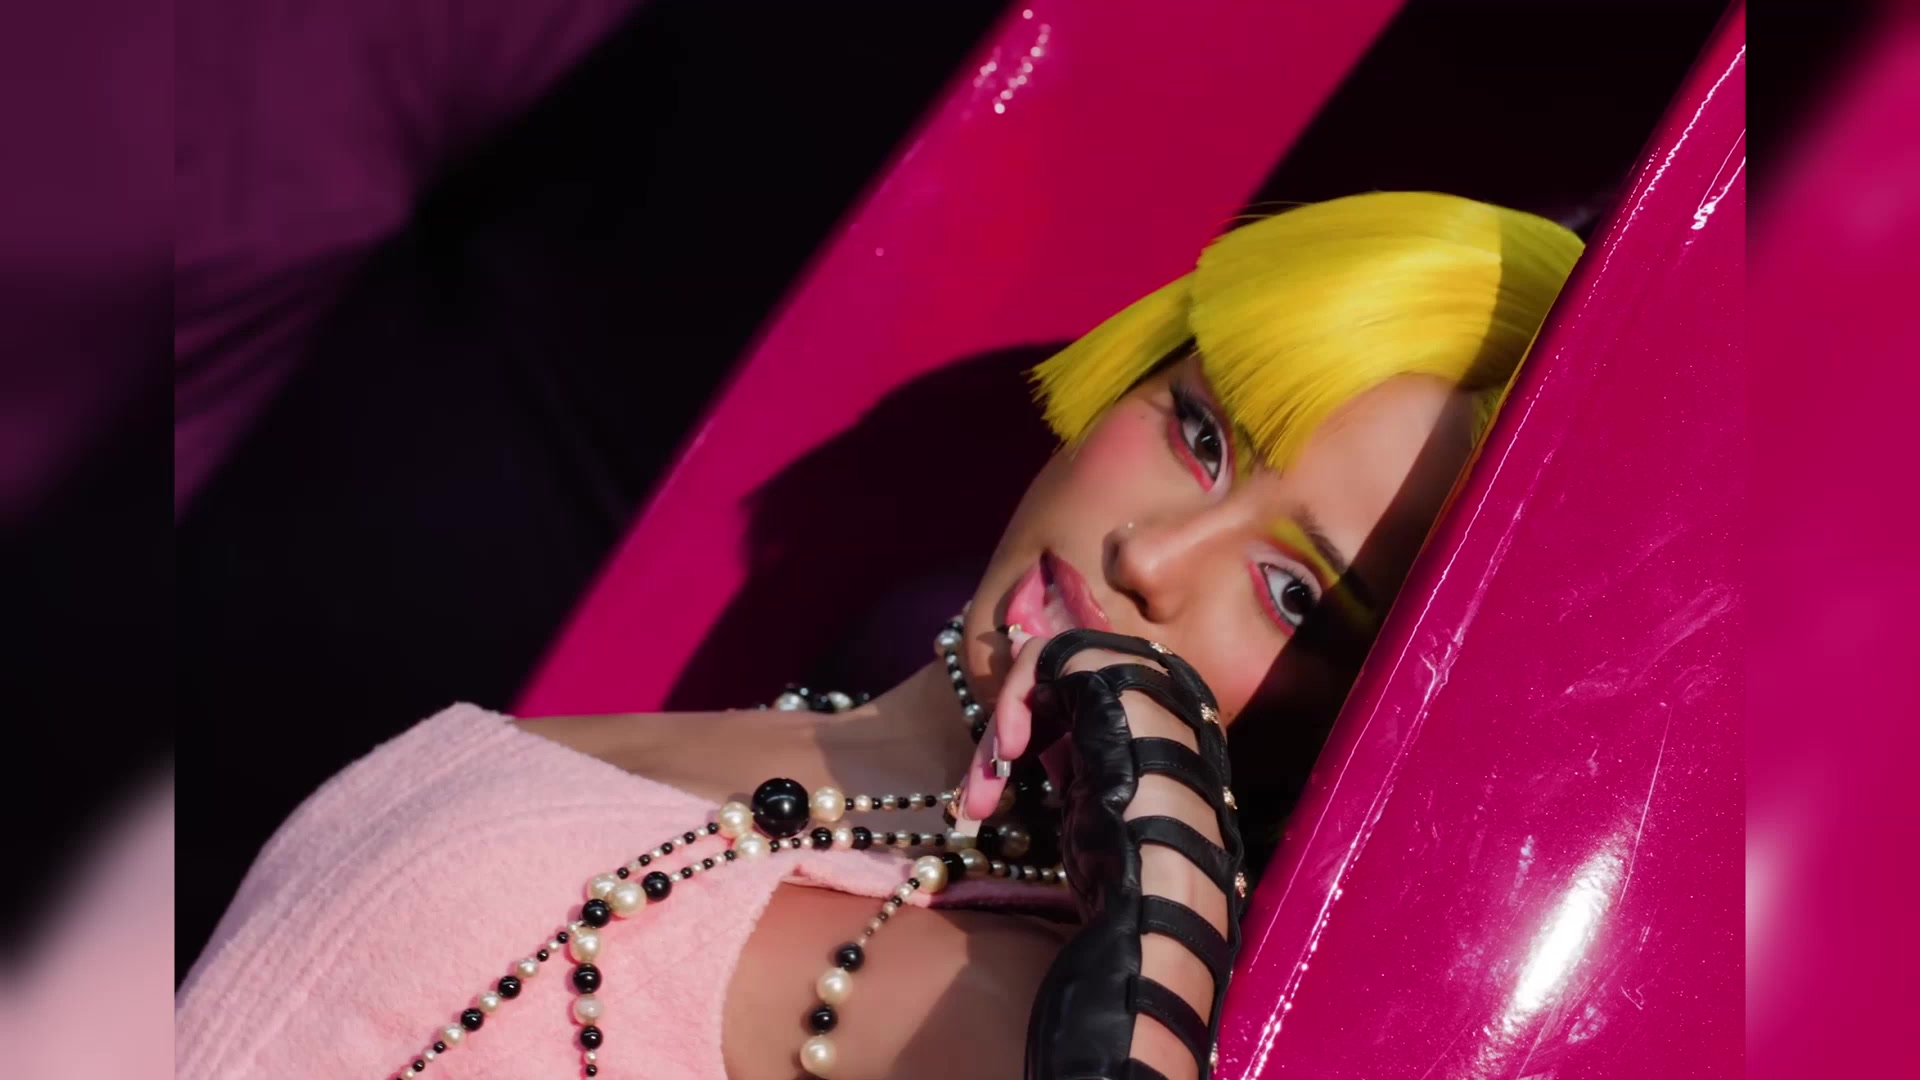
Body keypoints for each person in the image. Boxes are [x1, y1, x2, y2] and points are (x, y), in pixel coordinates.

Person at [175, 191, 1582, 1080]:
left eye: (1293, 595)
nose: (1154, 558)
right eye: (1201, 435)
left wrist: (1166, 876)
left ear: (1370, 702)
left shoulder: (991, 983)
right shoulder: (781, 750)